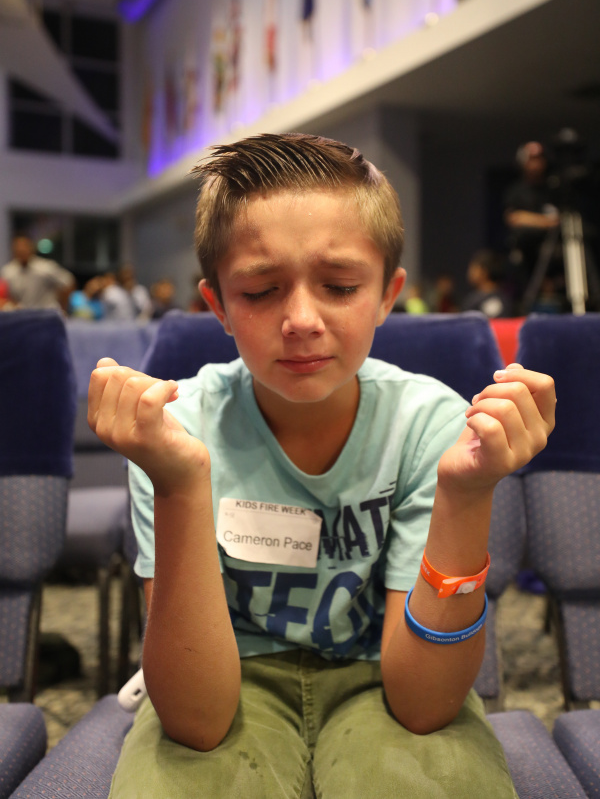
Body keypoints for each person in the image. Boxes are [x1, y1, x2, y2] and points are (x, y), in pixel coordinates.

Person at [88, 133, 555, 798]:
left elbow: (423, 706)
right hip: (228, 669)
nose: (301, 320)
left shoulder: (428, 425)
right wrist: (179, 484)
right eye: (260, 291)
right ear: (218, 306)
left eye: (339, 286)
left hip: (382, 670)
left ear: (388, 294)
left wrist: (467, 493)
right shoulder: (173, 433)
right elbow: (197, 721)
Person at [503, 142, 560, 304]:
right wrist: (545, 221)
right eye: (531, 159)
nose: (535, 164)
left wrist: (528, 218)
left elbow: (558, 220)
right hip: (525, 256)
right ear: (523, 162)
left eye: (539, 159)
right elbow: (514, 219)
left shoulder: (553, 189)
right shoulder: (515, 191)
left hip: (553, 252)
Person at [1, 235, 75, 311]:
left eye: (24, 247)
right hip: (23, 314)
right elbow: (7, 297)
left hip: (47, 313)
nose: (21, 250)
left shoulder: (46, 268)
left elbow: (68, 281)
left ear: (31, 248)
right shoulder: (8, 272)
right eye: (18, 248)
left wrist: (63, 307)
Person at [462, 249, 511, 318]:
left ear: (484, 271)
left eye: (474, 268)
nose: (470, 272)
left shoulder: (502, 300)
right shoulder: (471, 299)